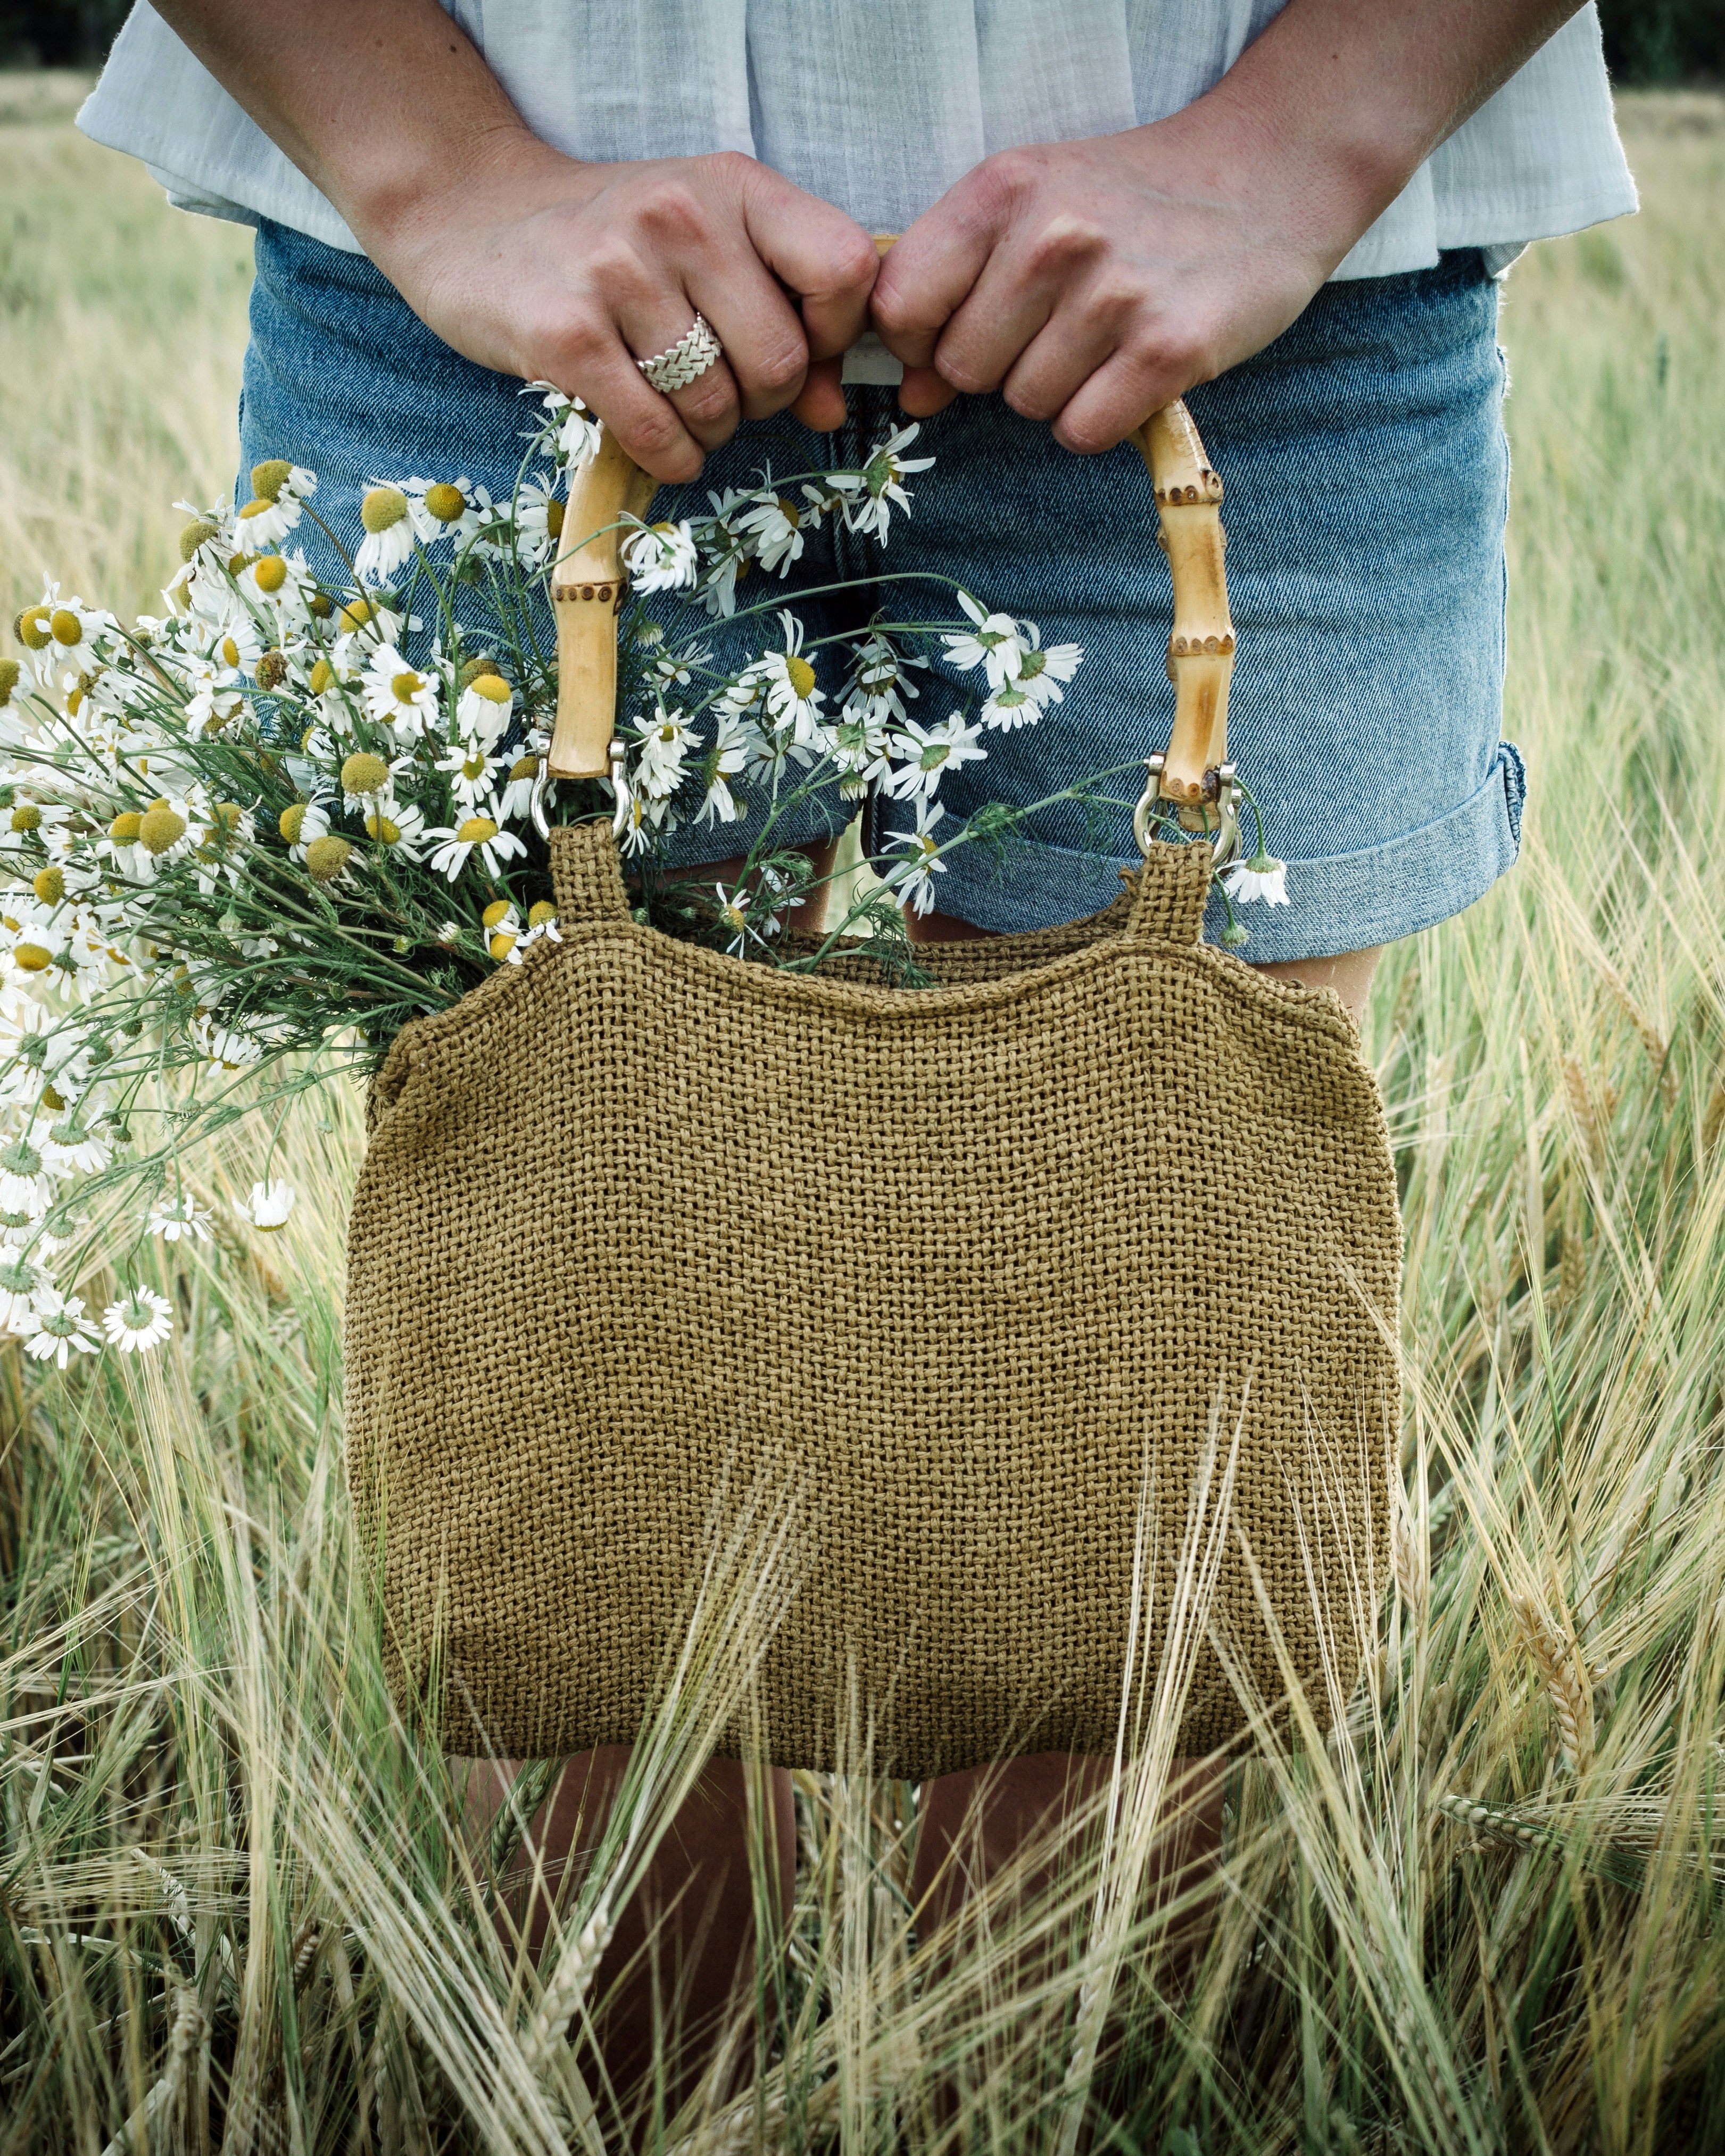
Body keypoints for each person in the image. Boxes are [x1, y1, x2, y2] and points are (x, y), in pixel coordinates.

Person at [80, 0, 1635, 2106]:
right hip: (498, 277)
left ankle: (1037, 2104)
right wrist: (443, 168)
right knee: (592, 1472)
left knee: (1127, 1474)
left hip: (1257, 285)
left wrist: (1305, 138)